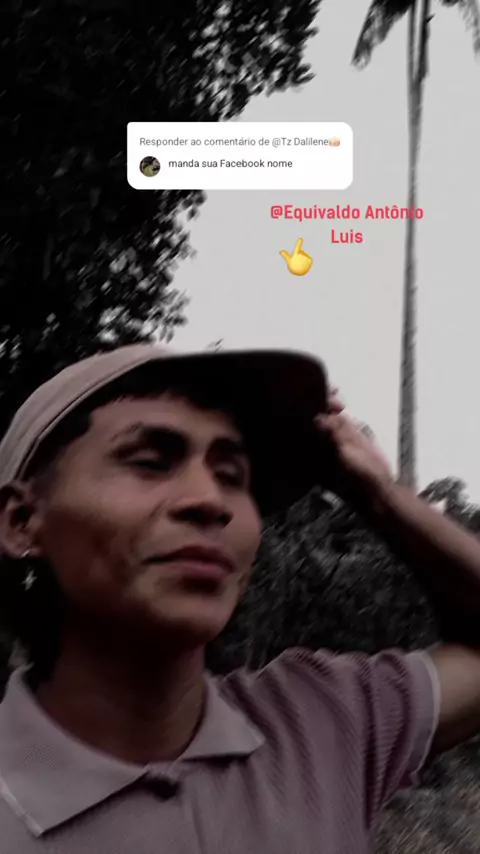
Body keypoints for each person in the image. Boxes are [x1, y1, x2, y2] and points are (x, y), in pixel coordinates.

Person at [0, 343, 479, 854]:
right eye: (150, 462)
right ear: (23, 520)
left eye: (232, 477)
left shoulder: (321, 721)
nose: (211, 501)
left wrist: (377, 494)